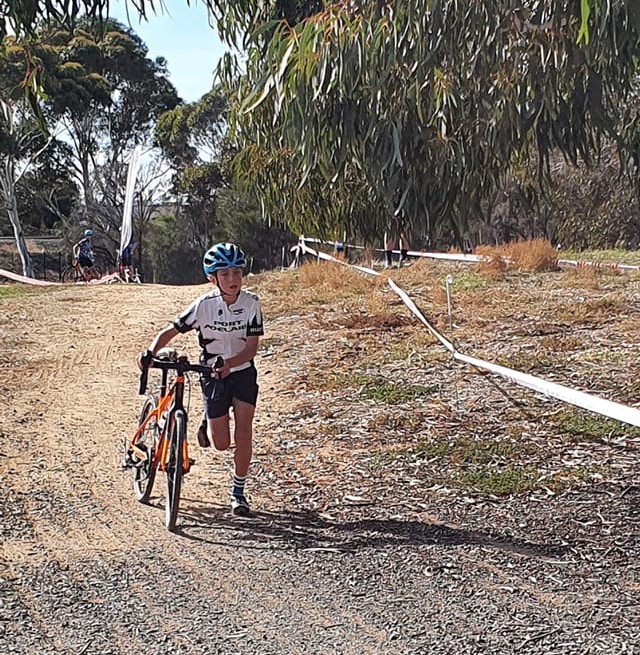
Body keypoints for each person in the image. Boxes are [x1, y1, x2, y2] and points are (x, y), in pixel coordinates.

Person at [137, 243, 264, 517]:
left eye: (237, 273)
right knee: (220, 443)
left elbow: (252, 347)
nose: (233, 280)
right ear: (213, 278)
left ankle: (238, 491)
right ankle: (208, 421)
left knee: (244, 430)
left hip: (241, 371)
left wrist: (230, 364)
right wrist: (150, 352)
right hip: (212, 374)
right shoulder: (203, 306)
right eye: (225, 274)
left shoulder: (251, 303)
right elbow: (171, 330)